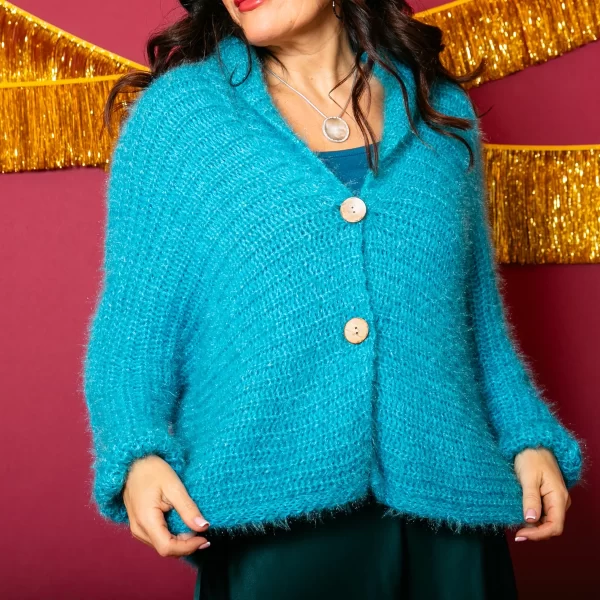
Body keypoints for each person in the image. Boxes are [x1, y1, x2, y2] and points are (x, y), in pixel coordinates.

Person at [83, 1, 586, 598]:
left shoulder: (438, 111)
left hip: (450, 513)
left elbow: (474, 321)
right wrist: (136, 452)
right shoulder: (181, 119)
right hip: (271, 516)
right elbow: (132, 330)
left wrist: (526, 434)